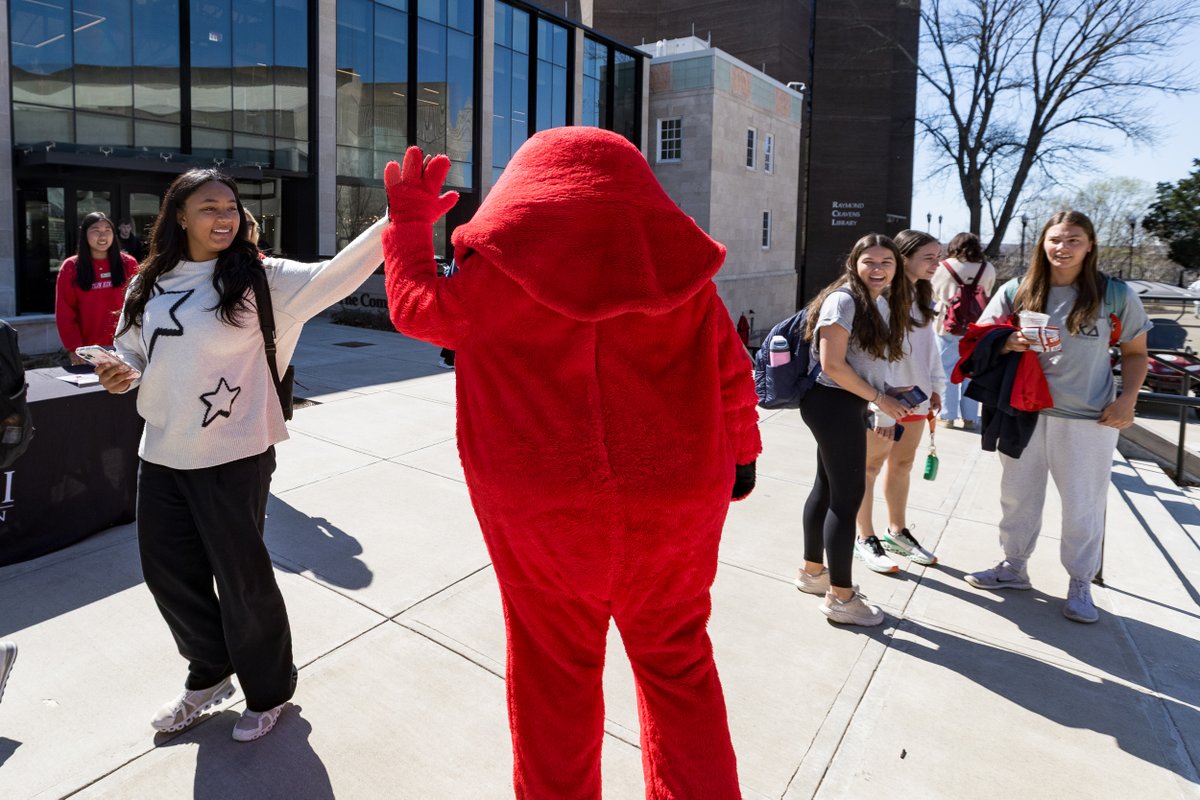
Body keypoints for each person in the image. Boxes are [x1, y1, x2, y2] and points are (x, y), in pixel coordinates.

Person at [381, 130, 761, 798]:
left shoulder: (491, 283)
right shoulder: (684, 285)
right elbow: (732, 373)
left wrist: (409, 227)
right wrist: (745, 454)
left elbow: (416, 309)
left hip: (542, 511)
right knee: (679, 668)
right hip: (670, 504)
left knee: (552, 675)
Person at [95, 168, 387, 741]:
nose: (224, 216)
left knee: (242, 580)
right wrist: (117, 373)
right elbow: (130, 351)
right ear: (179, 215)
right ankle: (208, 672)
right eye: (208, 207)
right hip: (161, 453)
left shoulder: (261, 277)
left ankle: (270, 690)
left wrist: (394, 221)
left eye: (230, 205)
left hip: (235, 454)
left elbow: (335, 276)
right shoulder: (148, 282)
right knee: (168, 576)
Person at [962, 210, 1150, 623]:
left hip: (1088, 419)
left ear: (1090, 246)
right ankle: (1014, 566)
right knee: (1017, 496)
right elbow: (979, 336)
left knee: (1083, 505)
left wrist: (1127, 400)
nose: (1062, 248)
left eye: (1073, 240)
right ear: (1042, 243)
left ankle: (1080, 582)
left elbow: (1137, 355)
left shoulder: (1115, 294)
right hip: (1022, 411)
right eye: (1055, 240)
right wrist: (1008, 340)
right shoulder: (1019, 289)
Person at [795, 234, 914, 626]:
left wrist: (884, 391)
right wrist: (880, 400)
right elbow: (832, 365)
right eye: (870, 262)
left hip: (844, 403)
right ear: (854, 263)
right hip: (834, 404)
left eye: (886, 263)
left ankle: (813, 573)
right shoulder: (844, 300)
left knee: (826, 488)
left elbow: (858, 365)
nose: (877, 269)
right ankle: (841, 598)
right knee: (846, 501)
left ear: (896, 269)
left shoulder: (875, 301)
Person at [855, 230, 945, 573]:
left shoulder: (923, 296)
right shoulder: (879, 298)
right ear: (904, 258)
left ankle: (897, 531)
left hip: (918, 399)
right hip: (886, 400)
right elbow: (871, 356)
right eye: (929, 257)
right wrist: (878, 403)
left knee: (903, 466)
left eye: (939, 257)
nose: (937, 264)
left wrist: (936, 387)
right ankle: (865, 537)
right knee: (870, 467)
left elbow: (929, 348)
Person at [55, 212, 139, 364]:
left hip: (127, 349)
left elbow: (140, 305)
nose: (103, 235)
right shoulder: (71, 267)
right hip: (89, 351)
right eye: (96, 230)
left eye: (108, 230)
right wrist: (74, 348)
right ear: (84, 234)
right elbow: (65, 311)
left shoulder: (128, 264)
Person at [932, 232, 995, 429]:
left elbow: (934, 292)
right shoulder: (987, 268)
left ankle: (947, 415)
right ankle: (970, 417)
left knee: (946, 370)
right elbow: (989, 292)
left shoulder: (943, 267)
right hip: (976, 325)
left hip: (947, 323)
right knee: (971, 370)